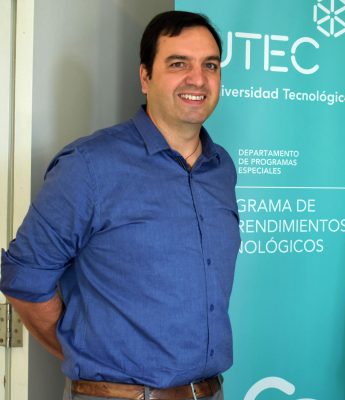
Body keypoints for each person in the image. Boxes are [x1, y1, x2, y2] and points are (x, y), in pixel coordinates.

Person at [1, 10, 240, 400]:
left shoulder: (221, 167)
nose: (197, 79)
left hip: (210, 392)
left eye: (210, 65)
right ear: (145, 77)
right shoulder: (90, 165)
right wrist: (87, 354)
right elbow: (23, 278)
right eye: (178, 64)